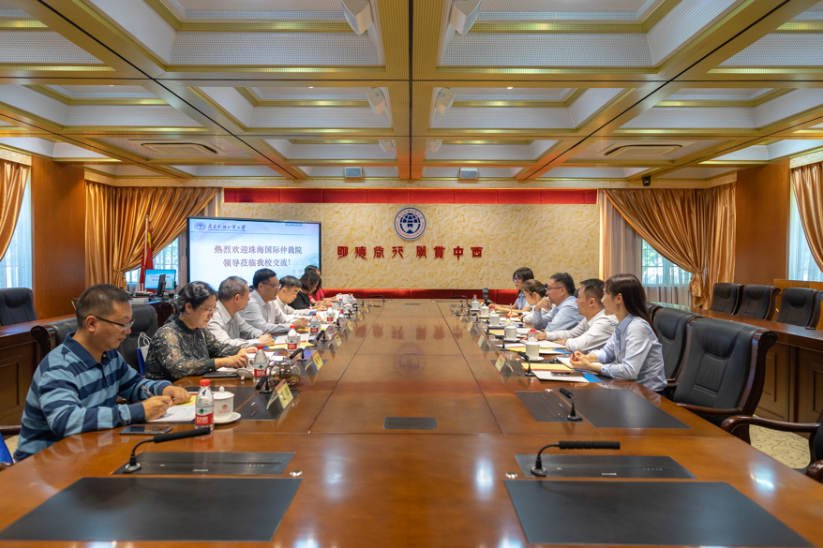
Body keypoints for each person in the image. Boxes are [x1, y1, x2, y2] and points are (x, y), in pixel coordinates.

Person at [14, 284, 191, 461]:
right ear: (91, 323)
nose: (128, 331)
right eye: (122, 324)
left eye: (129, 323)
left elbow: (135, 384)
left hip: (89, 450)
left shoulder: (109, 355)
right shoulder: (59, 366)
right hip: (44, 464)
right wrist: (136, 411)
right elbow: (65, 421)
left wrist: (164, 388)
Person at [570, 273, 666, 394]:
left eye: (605, 294)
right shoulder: (622, 324)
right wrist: (587, 357)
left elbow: (629, 371)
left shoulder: (637, 327)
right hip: (627, 389)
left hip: (647, 395)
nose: (602, 300)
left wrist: (590, 366)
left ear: (619, 298)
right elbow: (607, 353)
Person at [145, 282, 253, 381]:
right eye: (208, 309)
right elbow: (179, 368)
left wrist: (239, 351)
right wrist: (222, 362)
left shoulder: (200, 329)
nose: (211, 315)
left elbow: (218, 348)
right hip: (169, 392)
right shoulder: (167, 334)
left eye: (214, 310)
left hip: (193, 385)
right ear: (189, 307)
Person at [539, 278, 618, 353]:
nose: (576, 301)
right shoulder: (589, 318)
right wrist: (546, 335)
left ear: (591, 302)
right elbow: (571, 334)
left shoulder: (606, 320)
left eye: (579, 298)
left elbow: (580, 345)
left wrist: (566, 341)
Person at [207, 276, 275, 348]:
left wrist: (262, 335)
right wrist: (258, 341)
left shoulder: (234, 314)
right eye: (247, 296)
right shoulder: (213, 315)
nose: (249, 299)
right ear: (237, 298)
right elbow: (224, 344)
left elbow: (250, 330)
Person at [241, 269, 307, 333]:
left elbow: (283, 319)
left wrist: (303, 320)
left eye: (278, 285)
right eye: (274, 285)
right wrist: (291, 326)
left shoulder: (271, 301)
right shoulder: (250, 302)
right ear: (261, 286)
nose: (278, 289)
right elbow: (263, 328)